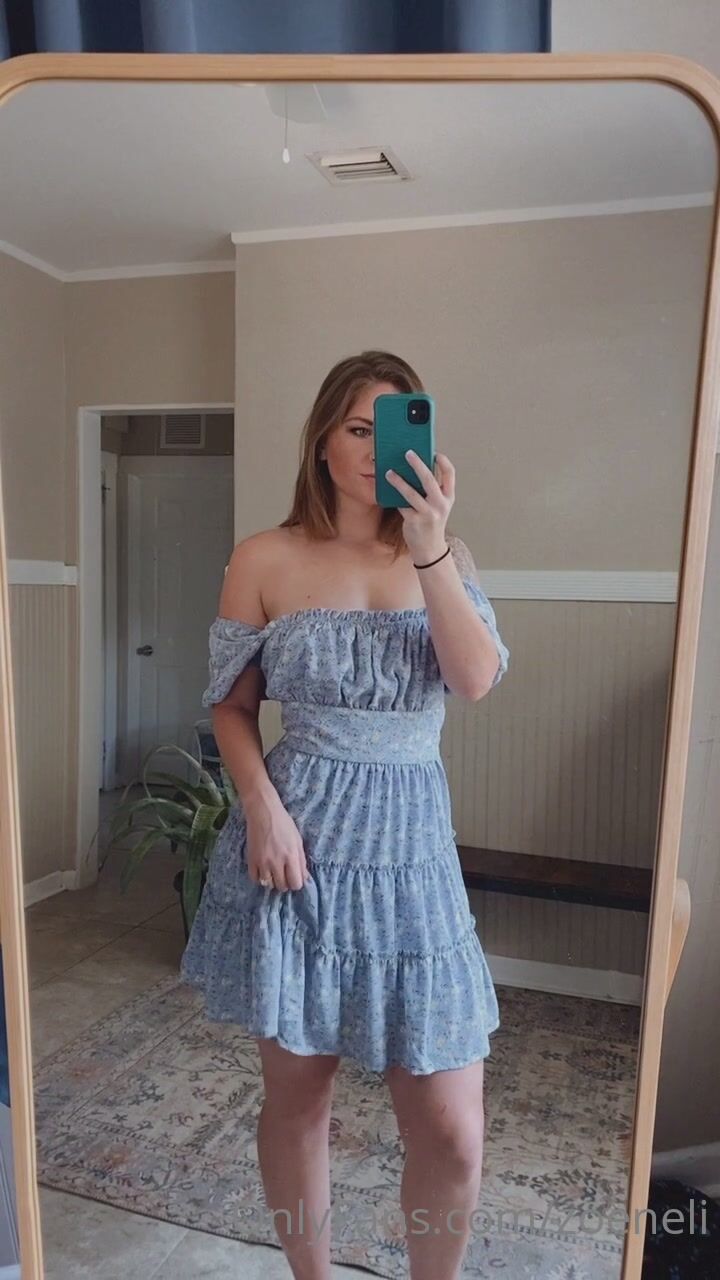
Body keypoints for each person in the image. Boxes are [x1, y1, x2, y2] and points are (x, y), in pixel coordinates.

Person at [180, 350, 510, 1280]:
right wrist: (261, 810)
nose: (375, 450)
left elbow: (475, 680)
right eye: (359, 428)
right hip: (300, 848)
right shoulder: (264, 557)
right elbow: (231, 706)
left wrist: (431, 545)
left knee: (452, 1130)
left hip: (412, 855)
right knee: (298, 1102)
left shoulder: (444, 554)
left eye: (396, 429)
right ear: (322, 440)